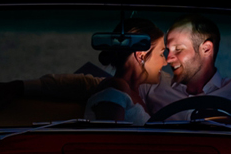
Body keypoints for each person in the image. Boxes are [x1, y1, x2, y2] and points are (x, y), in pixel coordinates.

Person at [14, 16, 168, 123]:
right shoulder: (114, 90)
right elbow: (111, 144)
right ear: (141, 56)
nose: (165, 61)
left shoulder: (135, 92)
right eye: (161, 53)